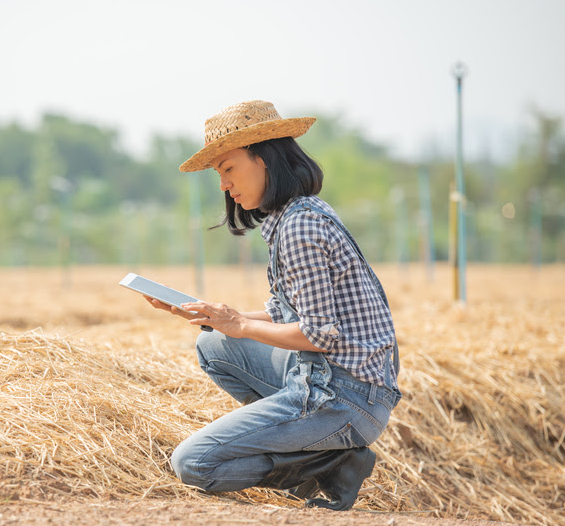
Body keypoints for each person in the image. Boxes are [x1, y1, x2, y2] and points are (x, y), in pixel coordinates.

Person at [144, 100, 401, 511]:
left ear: (263, 159)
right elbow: (287, 315)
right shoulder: (298, 214)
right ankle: (309, 444)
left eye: (228, 169)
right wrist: (217, 317)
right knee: (213, 344)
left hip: (343, 396)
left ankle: (323, 464)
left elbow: (316, 334)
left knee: (193, 464)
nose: (224, 185)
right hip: (332, 379)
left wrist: (240, 326)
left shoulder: (299, 226)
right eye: (219, 175)